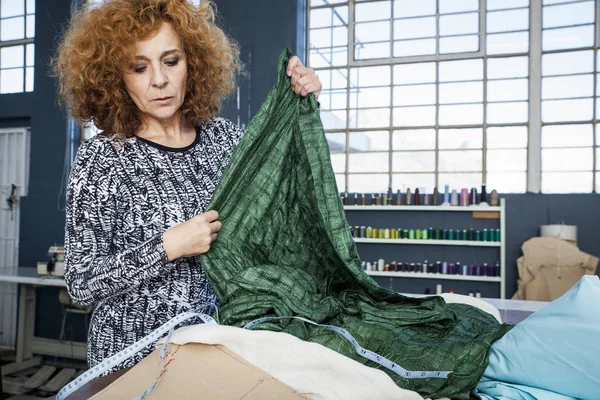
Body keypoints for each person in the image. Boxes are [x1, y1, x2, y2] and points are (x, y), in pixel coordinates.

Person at [54, 0, 322, 373]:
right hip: (131, 362)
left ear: (192, 63)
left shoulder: (224, 140)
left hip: (217, 348)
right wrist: (168, 247)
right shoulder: (103, 159)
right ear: (116, 77)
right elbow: (81, 282)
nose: (159, 80)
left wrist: (298, 104)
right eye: (138, 67)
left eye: (171, 61)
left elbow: (281, 192)